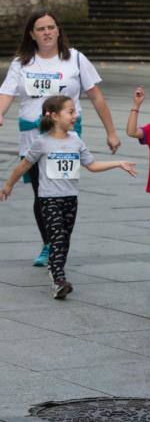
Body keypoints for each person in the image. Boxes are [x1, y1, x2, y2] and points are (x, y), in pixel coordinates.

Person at [0, 9, 121, 268]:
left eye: (51, 27)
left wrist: (111, 131)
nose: (47, 32)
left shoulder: (75, 59)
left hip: (65, 140)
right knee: (40, 193)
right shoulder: (21, 63)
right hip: (32, 138)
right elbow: (7, 93)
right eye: (41, 29)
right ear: (32, 34)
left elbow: (97, 96)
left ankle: (57, 240)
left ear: (58, 30)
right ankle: (50, 243)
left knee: (61, 193)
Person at [0, 96, 136, 299]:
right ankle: (58, 279)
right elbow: (24, 165)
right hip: (49, 199)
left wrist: (118, 163)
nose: (75, 115)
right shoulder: (42, 142)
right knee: (57, 238)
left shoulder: (76, 140)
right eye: (70, 112)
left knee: (65, 239)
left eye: (75, 111)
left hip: (70, 199)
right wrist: (9, 184)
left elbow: (91, 165)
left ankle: (56, 271)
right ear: (54, 116)